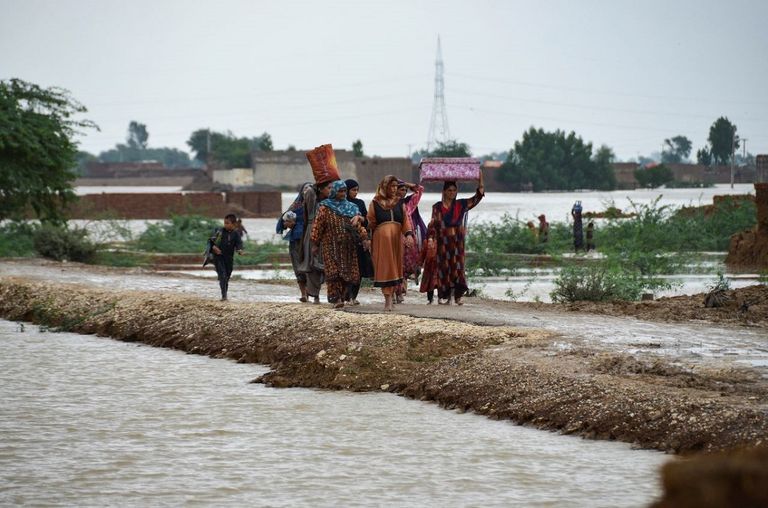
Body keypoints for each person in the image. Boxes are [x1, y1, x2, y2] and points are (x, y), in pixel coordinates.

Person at [311, 180, 370, 308]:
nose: (343, 194)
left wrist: (365, 238)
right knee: (333, 272)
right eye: (340, 191)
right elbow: (318, 226)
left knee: (346, 273)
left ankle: (342, 297)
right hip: (330, 245)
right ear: (334, 191)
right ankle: (336, 299)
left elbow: (359, 226)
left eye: (344, 191)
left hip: (348, 247)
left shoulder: (352, 208)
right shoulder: (324, 207)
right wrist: (315, 244)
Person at [431, 173, 485, 305]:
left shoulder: (461, 204)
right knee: (444, 268)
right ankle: (446, 296)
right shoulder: (437, 207)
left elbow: (478, 196)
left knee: (458, 267)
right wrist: (431, 240)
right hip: (443, 243)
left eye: (454, 190)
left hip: (457, 242)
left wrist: (480, 178)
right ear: (444, 191)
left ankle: (458, 296)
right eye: (449, 190)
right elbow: (434, 225)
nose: (452, 193)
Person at [367, 175, 415, 311]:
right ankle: (387, 300)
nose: (394, 189)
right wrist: (365, 233)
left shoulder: (400, 203)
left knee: (395, 267)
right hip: (381, 240)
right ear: (384, 187)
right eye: (391, 186)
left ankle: (392, 297)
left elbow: (405, 221)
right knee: (385, 268)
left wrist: (409, 235)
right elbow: (370, 222)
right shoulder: (375, 203)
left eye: (396, 186)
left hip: (396, 240)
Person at [276, 182, 313, 302]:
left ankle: (313, 293)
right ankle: (304, 294)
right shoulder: (296, 205)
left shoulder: (316, 205)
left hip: (311, 240)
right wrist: (288, 223)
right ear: (301, 191)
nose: (307, 191)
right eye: (305, 189)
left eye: (310, 188)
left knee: (311, 266)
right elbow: (284, 219)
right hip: (296, 241)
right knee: (298, 266)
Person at [298, 181, 332, 303]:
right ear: (321, 189)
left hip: (327, 234)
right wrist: (316, 184)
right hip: (312, 233)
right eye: (328, 187)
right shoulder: (312, 201)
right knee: (313, 265)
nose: (331, 190)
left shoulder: (330, 202)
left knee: (328, 265)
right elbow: (310, 192)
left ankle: (334, 295)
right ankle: (314, 295)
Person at [394, 180, 425, 303]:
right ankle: (397, 292)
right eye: (401, 189)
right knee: (396, 264)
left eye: (405, 190)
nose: (404, 192)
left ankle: (401, 291)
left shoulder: (409, 203)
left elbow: (420, 189)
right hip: (394, 234)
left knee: (406, 265)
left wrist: (407, 184)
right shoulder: (389, 202)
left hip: (408, 235)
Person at [344, 178, 374, 305]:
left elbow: (367, 221)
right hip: (345, 240)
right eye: (353, 190)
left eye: (357, 190)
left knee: (360, 269)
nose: (355, 192)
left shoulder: (359, 203)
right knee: (347, 268)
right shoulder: (340, 204)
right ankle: (345, 296)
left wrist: (360, 218)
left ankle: (353, 297)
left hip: (359, 239)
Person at [207, 213, 244, 301]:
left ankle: (224, 293)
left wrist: (239, 250)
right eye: (225, 223)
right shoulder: (219, 231)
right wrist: (214, 247)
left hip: (229, 258)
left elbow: (239, 244)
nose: (225, 225)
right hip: (218, 257)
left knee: (227, 275)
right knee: (222, 275)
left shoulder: (236, 234)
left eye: (228, 223)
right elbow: (210, 242)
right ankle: (224, 296)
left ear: (234, 224)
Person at [419, 226, 438, 304]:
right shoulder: (426, 242)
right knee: (431, 283)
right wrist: (420, 264)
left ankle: (435, 299)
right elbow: (423, 254)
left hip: (435, 266)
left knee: (434, 282)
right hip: (429, 266)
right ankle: (431, 299)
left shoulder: (438, 242)